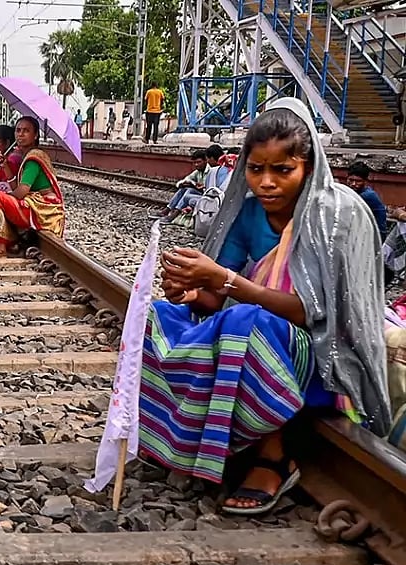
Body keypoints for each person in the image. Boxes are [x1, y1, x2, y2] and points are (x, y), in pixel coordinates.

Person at [138, 98, 390, 516]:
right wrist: (189, 292)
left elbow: (318, 315)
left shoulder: (338, 216)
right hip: (255, 338)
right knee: (161, 318)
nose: (267, 182)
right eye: (256, 170)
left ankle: (273, 458)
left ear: (308, 167)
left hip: (322, 361)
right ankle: (183, 437)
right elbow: (214, 300)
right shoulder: (248, 215)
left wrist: (224, 280)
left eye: (282, 170)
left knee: (246, 321)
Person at [0, 116, 66, 259]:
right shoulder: (26, 156)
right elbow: (16, 186)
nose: (21, 134)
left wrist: (3, 200)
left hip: (43, 208)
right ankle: (5, 243)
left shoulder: (34, 158)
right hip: (35, 204)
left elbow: (22, 191)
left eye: (26, 131)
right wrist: (5, 166)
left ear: (35, 135)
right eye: (18, 130)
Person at [153, 149, 208, 223]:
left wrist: (200, 187)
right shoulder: (198, 172)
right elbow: (185, 180)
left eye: (199, 162)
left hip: (205, 195)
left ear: (205, 161)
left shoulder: (209, 171)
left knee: (189, 190)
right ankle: (167, 210)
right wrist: (183, 184)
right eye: (194, 163)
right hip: (198, 193)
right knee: (184, 189)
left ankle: (175, 214)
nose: (196, 165)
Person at [345, 161, 388, 238]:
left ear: (365, 181)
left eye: (358, 181)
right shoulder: (354, 192)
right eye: (351, 180)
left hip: (375, 235)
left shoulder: (367, 195)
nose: (353, 184)